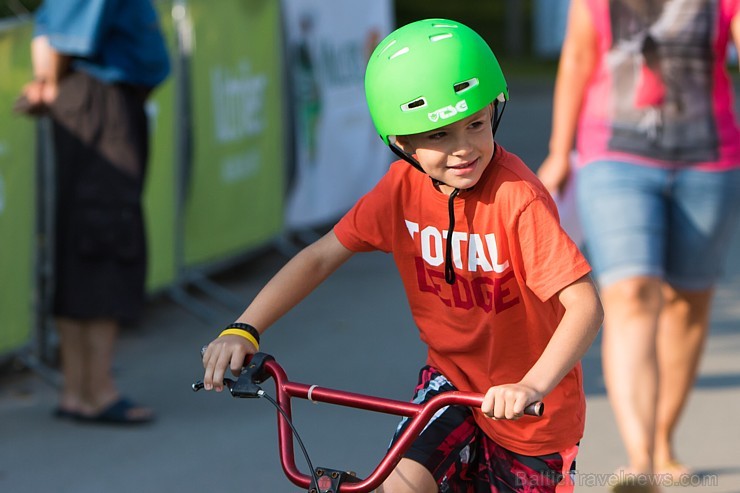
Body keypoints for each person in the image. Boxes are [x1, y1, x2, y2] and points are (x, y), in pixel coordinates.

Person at [202, 19, 603, 493]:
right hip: (450, 385)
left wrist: (532, 385)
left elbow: (584, 306)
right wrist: (243, 327)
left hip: (531, 409)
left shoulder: (518, 199)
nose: (463, 149)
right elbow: (320, 256)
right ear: (401, 142)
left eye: (475, 124)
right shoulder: (401, 190)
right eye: (437, 136)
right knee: (399, 486)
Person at [538, 0, 740, 489]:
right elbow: (579, 58)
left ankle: (663, 439)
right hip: (614, 154)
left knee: (688, 304)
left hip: (708, 158)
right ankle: (641, 458)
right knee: (630, 294)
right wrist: (559, 152)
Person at [16, 0, 170, 424]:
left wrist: (49, 79)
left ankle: (78, 390)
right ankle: (96, 392)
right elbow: (62, 29)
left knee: (84, 237)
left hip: (95, 96)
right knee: (105, 236)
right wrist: (46, 79)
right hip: (100, 98)